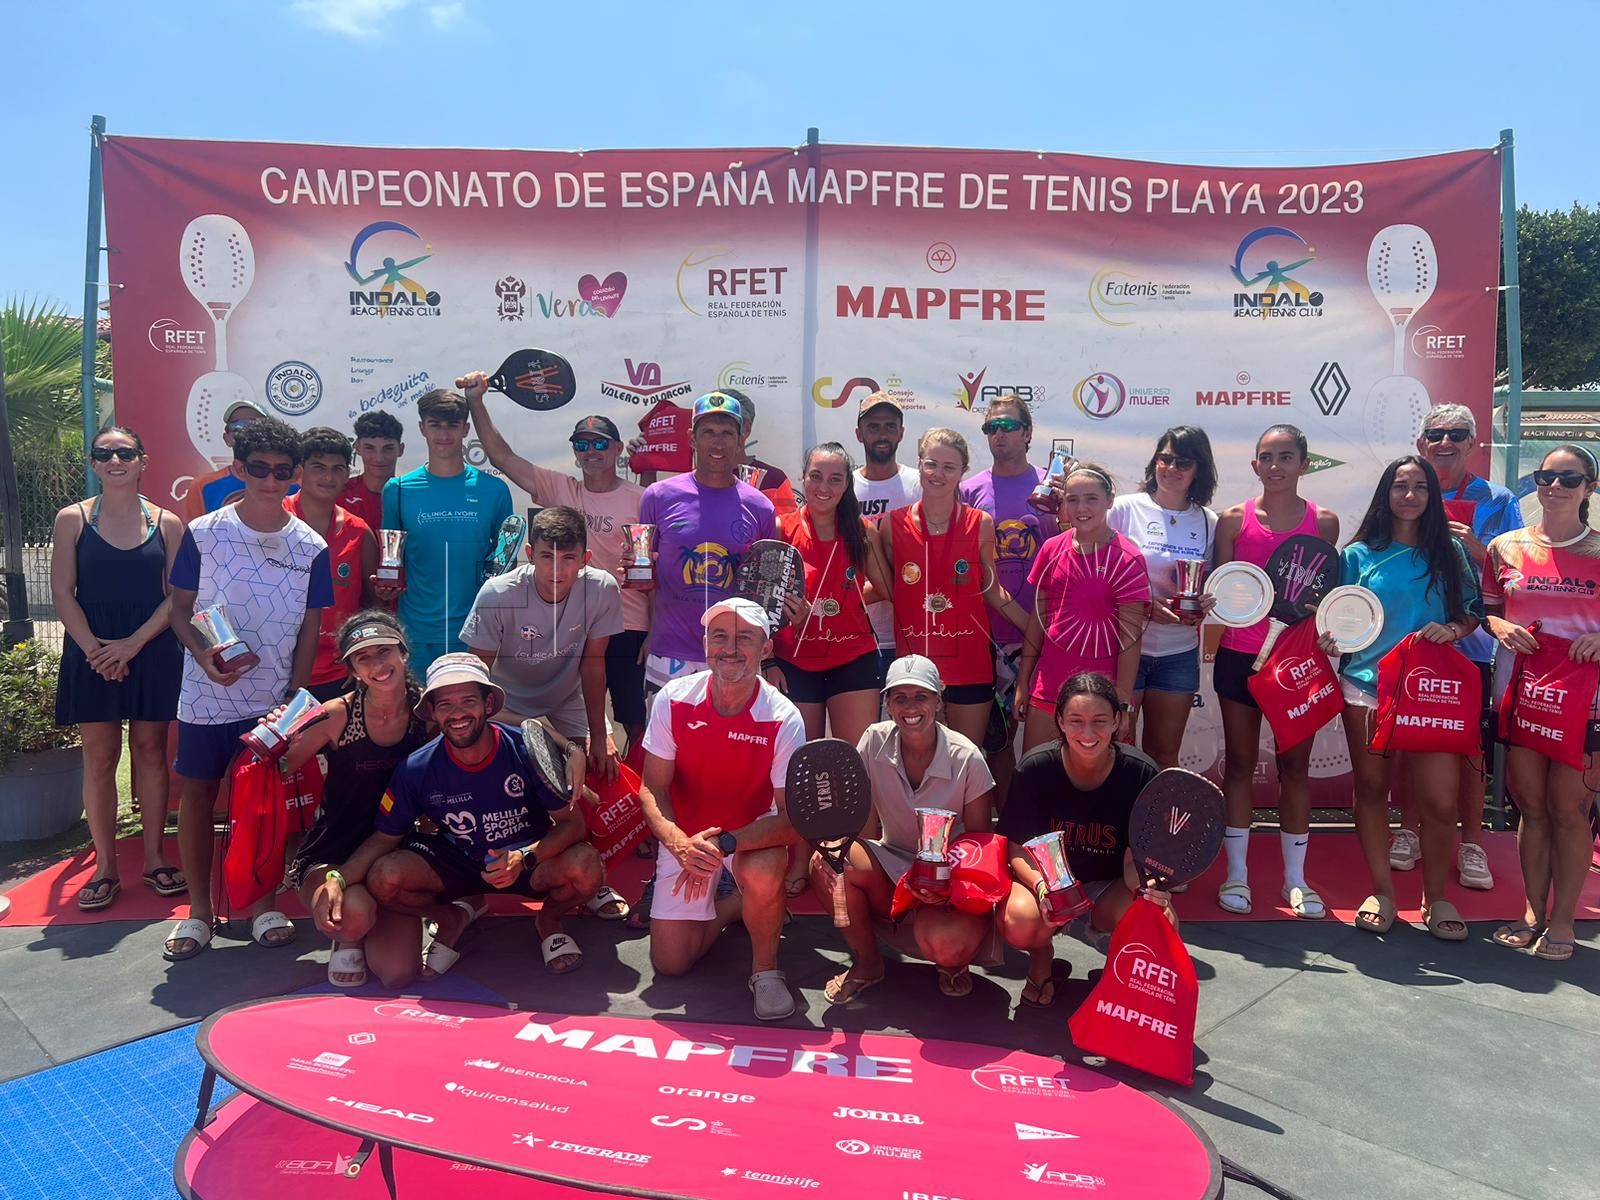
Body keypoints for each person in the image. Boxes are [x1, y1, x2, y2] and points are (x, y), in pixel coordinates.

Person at [163, 417, 332, 960]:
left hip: (272, 700)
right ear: (238, 468)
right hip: (207, 695)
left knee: (264, 803)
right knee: (198, 796)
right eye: (258, 468)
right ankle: (196, 912)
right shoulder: (204, 532)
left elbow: (311, 625)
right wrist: (204, 659)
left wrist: (296, 695)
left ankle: (262, 904)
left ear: (296, 476)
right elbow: (180, 611)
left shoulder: (311, 544)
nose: (269, 479)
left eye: (282, 471)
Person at [360, 654, 605, 978]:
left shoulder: (524, 749)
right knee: (383, 877)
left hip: (528, 861)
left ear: (489, 704)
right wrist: (338, 879)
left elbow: (573, 824)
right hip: (458, 864)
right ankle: (450, 918)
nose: (458, 713)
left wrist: (524, 857)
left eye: (468, 701)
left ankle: (548, 920)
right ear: (431, 711)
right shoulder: (415, 768)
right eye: (445, 704)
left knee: (587, 868)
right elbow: (383, 838)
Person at [1331, 457, 1482, 940]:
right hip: (1365, 687)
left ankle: (1436, 896)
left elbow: (1473, 611)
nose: (1410, 495)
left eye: (1420, 487)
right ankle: (1382, 891)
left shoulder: (1451, 551)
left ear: (1432, 497)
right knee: (1372, 790)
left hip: (1430, 692)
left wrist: (1453, 629)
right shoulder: (1356, 555)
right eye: (1401, 486)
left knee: (1439, 801)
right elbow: (1339, 617)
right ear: (1386, 493)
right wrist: (1331, 636)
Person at [463, 377, 649, 764]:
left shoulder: (644, 498)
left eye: (601, 443)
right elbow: (501, 457)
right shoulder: (558, 488)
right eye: (582, 444)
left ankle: (634, 798)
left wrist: (658, 628)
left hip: (629, 624)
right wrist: (476, 402)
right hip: (568, 623)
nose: (591, 451)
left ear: (617, 448)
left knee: (635, 721)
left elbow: (660, 565)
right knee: (575, 719)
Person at [638, 598, 807, 1021]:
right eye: (720, 637)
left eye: (744, 638)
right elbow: (651, 788)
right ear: (706, 645)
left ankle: (766, 970)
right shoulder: (673, 699)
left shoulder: (784, 717)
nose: (730, 648)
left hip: (747, 841)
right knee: (671, 964)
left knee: (765, 871)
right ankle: (734, 906)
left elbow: (792, 821)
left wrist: (724, 845)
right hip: (688, 842)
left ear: (766, 649)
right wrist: (679, 845)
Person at [1390, 403, 1526, 888]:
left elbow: (1517, 577)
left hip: (1471, 649)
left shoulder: (1498, 498)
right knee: (1409, 741)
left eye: (1457, 433)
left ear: (1473, 442)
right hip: (1413, 644)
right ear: (1422, 443)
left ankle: (1472, 842)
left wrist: (1474, 547)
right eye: (1436, 433)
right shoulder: (1407, 491)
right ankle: (1405, 831)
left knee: (1470, 751)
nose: (1445, 441)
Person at [50, 426, 185, 912]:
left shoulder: (168, 522)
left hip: (149, 646)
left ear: (142, 459)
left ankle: (154, 858)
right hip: (91, 651)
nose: (115, 460)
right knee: (100, 757)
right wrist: (96, 650)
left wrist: (131, 645)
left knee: (150, 752)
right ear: (92, 463)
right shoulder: (72, 520)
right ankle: (106, 865)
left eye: (124, 452)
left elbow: (178, 598)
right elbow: (62, 592)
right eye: (104, 454)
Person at [1210, 424, 1340, 919]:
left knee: (1295, 769)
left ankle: (1295, 880)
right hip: (1240, 656)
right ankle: (1236, 876)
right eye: (1267, 457)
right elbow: (1219, 590)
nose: (1277, 466)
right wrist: (1207, 603)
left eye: (1287, 456)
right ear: (1255, 466)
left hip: (1298, 664)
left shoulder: (1324, 522)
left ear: (1305, 463)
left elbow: (1324, 595)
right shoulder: (1231, 521)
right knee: (1240, 766)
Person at [817, 655, 997, 1003]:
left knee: (949, 946)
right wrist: (857, 880)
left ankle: (953, 962)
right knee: (828, 862)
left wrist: (946, 889)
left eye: (921, 696)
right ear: (886, 703)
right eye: (899, 697)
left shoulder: (968, 757)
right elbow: (860, 825)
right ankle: (867, 962)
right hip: (893, 866)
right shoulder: (872, 739)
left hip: (951, 883)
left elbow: (979, 848)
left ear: (938, 701)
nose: (910, 706)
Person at [1482, 444, 1600, 962]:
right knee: (1530, 807)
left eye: (1568, 479)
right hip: (1520, 696)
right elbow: (1485, 610)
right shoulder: (1505, 547)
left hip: (1586, 704)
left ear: (1589, 488)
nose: (1553, 487)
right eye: (1544, 477)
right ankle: (1532, 911)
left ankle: (1564, 918)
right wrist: (1500, 625)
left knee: (1570, 810)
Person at [272, 612, 431, 987]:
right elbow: (275, 770)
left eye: (384, 651)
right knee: (354, 916)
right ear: (352, 668)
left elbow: (484, 711)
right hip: (333, 853)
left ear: (403, 653)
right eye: (364, 658)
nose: (377, 664)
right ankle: (350, 934)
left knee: (398, 972)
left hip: (394, 857)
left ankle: (377, 917)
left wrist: (548, 731)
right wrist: (275, 733)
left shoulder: (427, 711)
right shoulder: (336, 715)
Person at [999, 672, 1171, 1007]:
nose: (1088, 733)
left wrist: (1149, 891)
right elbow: (1016, 847)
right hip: (1052, 887)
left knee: (1159, 918)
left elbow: (1140, 858)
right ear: (1060, 721)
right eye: (1076, 720)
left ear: (1118, 721)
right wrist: (1041, 887)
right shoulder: (1034, 768)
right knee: (1019, 920)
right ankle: (1041, 960)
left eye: (1100, 721)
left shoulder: (1141, 773)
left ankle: (1122, 980)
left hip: (1109, 888)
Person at [772, 443, 892, 895]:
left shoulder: (861, 530)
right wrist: (785, 614)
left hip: (853, 658)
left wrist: (841, 601)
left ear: (847, 485)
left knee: (852, 765)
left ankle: (853, 859)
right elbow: (763, 599)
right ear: (803, 478)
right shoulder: (783, 528)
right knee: (802, 767)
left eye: (835, 479)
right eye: (817, 477)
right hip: (795, 660)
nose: (824, 487)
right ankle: (800, 857)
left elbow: (884, 587)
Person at [882, 428, 1028, 750]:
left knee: (967, 764)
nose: (938, 474)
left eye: (950, 467)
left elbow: (993, 591)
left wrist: (1037, 631)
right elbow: (882, 588)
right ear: (919, 465)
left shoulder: (980, 523)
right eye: (931, 464)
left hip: (969, 664)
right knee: (912, 764)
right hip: (913, 670)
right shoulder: (890, 526)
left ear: (963, 472)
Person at [459, 505, 624, 784]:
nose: (557, 570)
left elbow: (593, 666)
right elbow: (477, 675)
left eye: (569, 558)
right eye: (547, 556)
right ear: (530, 554)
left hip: (567, 699)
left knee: (604, 767)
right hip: (505, 702)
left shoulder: (602, 588)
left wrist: (598, 736)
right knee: (506, 774)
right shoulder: (497, 593)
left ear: (586, 559)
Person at [636, 392, 776, 697]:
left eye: (727, 433)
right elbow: (644, 575)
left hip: (735, 656)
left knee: (732, 746)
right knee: (664, 745)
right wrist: (634, 571)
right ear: (691, 438)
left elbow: (764, 593)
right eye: (708, 432)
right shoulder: (658, 497)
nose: (718, 443)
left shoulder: (762, 507)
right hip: (670, 653)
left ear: (741, 439)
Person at [377, 387, 514, 677]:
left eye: (452, 425)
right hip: (415, 631)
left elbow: (504, 566)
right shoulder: (397, 490)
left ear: (465, 429)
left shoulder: (494, 491)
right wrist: (385, 584)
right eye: (435, 425)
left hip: (476, 632)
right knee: (418, 718)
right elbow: (391, 562)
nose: (443, 434)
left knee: (468, 718)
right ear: (421, 428)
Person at [1015, 463, 1150, 754]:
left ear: (1109, 500)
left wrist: (1123, 701)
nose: (1081, 507)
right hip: (1048, 688)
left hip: (1101, 697)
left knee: (1100, 791)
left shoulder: (1129, 557)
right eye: (1072, 499)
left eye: (1091, 498)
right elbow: (1037, 623)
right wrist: (1023, 681)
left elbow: (1130, 639)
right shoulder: (1051, 548)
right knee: (1039, 780)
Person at [1108, 427, 1219, 768]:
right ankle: (1118, 821)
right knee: (1118, 746)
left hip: (1178, 651)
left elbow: (1208, 585)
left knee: (1165, 752)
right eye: (1165, 458)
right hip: (1124, 647)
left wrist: (1203, 604)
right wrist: (1142, 606)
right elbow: (1095, 574)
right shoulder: (1124, 509)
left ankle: (1153, 821)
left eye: (1182, 461)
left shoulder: (1208, 521)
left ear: (1198, 468)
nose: (1171, 468)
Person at [960, 394, 1050, 750]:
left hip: (1045, 636)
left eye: (1008, 425)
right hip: (987, 638)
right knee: (996, 744)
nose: (999, 433)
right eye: (991, 427)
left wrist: (1038, 628)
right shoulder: (969, 490)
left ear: (1027, 433)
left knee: (1047, 744)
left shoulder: (1053, 487)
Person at [287, 427, 379, 702]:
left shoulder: (359, 531)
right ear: (299, 470)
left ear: (348, 473)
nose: (328, 477)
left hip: (338, 675)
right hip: (279, 671)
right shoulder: (275, 521)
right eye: (318, 467)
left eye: (338, 468)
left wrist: (362, 654)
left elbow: (373, 606)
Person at [852, 391, 921, 681]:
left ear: (901, 433)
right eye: (873, 427)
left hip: (911, 636)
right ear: (859, 434)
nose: (882, 434)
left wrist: (850, 598)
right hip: (858, 638)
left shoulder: (920, 484)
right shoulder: (843, 487)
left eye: (890, 426)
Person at [179, 400, 265, 522]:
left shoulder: (291, 483)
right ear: (227, 438)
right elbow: (194, 537)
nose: (247, 432)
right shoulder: (202, 486)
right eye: (238, 427)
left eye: (255, 425)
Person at [724, 388, 797, 515]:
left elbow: (786, 531)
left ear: (746, 429)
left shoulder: (774, 480)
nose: (718, 437)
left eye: (727, 427)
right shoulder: (690, 480)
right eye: (709, 430)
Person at [339, 409, 405, 528]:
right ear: (357, 448)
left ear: (401, 449)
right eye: (370, 448)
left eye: (388, 448)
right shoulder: (339, 493)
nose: (379, 458)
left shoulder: (410, 494)